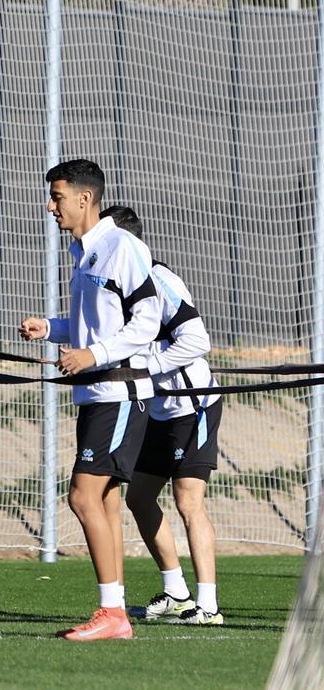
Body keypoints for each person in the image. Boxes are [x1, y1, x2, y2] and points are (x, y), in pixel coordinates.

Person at [18, 160, 161, 641]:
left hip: (120, 391)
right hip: (97, 394)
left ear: (85, 198)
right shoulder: (84, 253)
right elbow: (96, 322)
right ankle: (115, 613)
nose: (50, 205)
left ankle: (113, 614)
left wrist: (92, 354)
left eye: (57, 196)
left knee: (82, 495)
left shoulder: (122, 246)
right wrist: (52, 329)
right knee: (101, 499)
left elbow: (146, 320)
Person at [100, 206, 225, 626]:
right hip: (155, 408)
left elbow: (197, 340)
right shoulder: (118, 284)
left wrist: (148, 367)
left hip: (192, 405)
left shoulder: (158, 280)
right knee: (138, 497)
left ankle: (207, 606)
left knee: (189, 501)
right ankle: (176, 594)